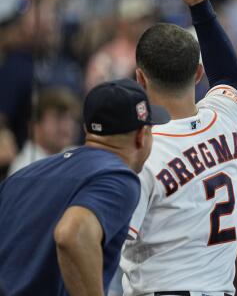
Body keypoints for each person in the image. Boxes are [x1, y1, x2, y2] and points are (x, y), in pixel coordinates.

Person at [120, 0, 237, 296]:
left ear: (140, 78)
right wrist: (201, 6)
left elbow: (108, 247)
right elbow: (230, 78)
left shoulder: (141, 151)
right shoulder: (228, 118)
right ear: (197, 74)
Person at [0, 79, 170, 296]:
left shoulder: (24, 175)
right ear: (141, 136)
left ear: (87, 129)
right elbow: (71, 234)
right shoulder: (118, 176)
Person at [8, 87, 79, 176]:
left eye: (70, 118)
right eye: (58, 117)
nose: (67, 126)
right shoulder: (24, 167)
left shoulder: (78, 155)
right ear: (34, 126)